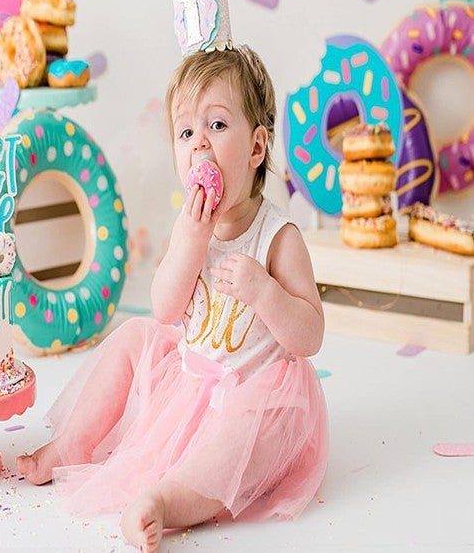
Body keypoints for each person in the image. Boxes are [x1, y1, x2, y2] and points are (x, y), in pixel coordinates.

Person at [17, 43, 328, 553]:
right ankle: (73, 444)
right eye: (186, 132)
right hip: (190, 380)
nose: (199, 144)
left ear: (256, 149)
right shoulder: (191, 227)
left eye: (217, 125)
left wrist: (265, 292)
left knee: (247, 437)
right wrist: (190, 242)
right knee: (134, 335)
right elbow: (166, 309)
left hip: (252, 393)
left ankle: (165, 501)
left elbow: (309, 335)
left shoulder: (278, 236)